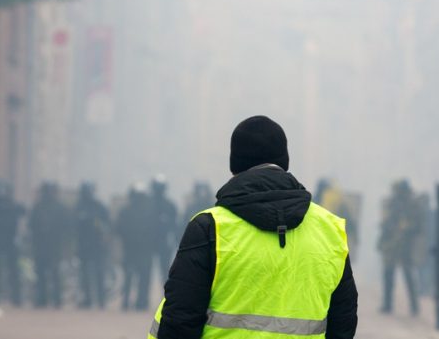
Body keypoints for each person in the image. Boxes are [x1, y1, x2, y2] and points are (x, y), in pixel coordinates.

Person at [148, 115, 357, 339]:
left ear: (235, 166)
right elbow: (343, 321)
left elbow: (180, 320)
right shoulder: (329, 230)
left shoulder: (210, 228)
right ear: (284, 162)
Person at [378, 179, 423, 316]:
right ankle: (387, 304)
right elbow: (386, 223)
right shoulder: (393, 203)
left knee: (408, 275)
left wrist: (406, 228)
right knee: (388, 274)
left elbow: (418, 225)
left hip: (405, 244)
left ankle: (414, 306)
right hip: (392, 244)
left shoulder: (412, 204)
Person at [116, 184, 155, 311]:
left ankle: (133, 301)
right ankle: (138, 302)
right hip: (136, 250)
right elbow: (119, 229)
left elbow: (118, 229)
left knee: (134, 277)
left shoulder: (128, 211)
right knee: (136, 277)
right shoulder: (147, 212)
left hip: (137, 250)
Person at [29, 182, 67, 308]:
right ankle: (52, 300)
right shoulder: (56, 207)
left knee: (47, 276)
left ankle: (47, 300)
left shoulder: (39, 207)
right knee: (49, 275)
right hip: (49, 247)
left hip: (47, 246)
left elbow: (31, 226)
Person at [75, 182, 110, 309]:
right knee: (85, 276)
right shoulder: (79, 207)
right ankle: (88, 299)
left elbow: (107, 225)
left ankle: (101, 300)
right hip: (84, 246)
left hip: (97, 246)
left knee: (99, 274)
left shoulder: (99, 207)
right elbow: (73, 226)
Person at [150, 175, 178, 281]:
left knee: (165, 271)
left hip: (164, 242)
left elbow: (174, 225)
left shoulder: (169, 206)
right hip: (151, 242)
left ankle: (167, 293)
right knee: (147, 271)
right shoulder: (148, 205)